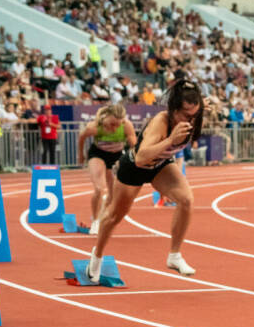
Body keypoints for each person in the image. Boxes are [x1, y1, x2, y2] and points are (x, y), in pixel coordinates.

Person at [86, 79, 204, 283]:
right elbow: (141, 157)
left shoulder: (194, 116)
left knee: (187, 200)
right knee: (114, 216)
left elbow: (198, 111)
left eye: (194, 115)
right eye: (186, 115)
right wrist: (170, 140)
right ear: (174, 109)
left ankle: (174, 256)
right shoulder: (161, 122)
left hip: (160, 165)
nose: (190, 120)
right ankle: (96, 257)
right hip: (135, 167)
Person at [75, 103, 136, 232]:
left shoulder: (126, 126)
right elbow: (82, 137)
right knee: (99, 188)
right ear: (106, 118)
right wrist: (80, 154)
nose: (115, 128)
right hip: (98, 154)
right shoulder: (95, 126)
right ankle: (96, 221)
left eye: (117, 125)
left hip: (117, 156)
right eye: (112, 124)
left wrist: (130, 161)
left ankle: (103, 216)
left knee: (114, 193)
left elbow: (134, 146)